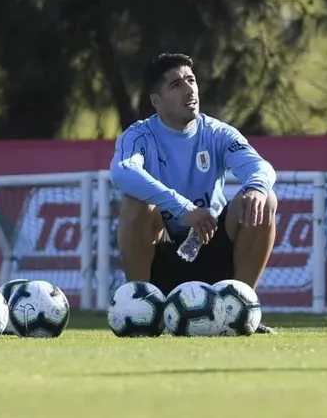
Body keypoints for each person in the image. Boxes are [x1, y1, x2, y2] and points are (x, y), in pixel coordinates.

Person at [110, 52, 279, 334]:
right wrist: (182, 207)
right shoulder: (139, 136)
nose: (189, 89)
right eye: (176, 85)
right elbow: (123, 172)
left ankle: (240, 310)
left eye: (191, 80)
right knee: (134, 202)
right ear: (156, 101)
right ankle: (142, 309)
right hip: (164, 256)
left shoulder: (217, 133)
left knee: (263, 198)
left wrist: (257, 188)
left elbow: (259, 167)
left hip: (213, 247)